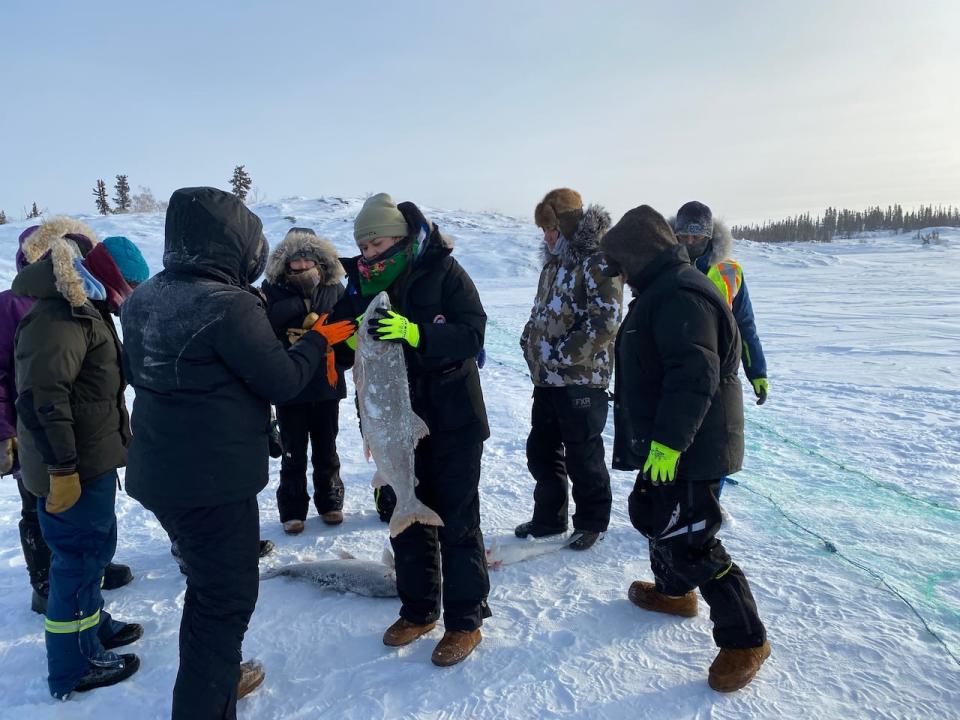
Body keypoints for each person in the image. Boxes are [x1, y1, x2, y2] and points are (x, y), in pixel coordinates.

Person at [120, 187, 355, 719]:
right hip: (212, 482)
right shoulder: (229, 304)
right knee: (223, 602)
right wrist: (318, 342)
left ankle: (219, 675)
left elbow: (136, 373)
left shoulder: (144, 298)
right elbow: (282, 381)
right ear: (234, 245)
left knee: (209, 590)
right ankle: (206, 699)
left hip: (159, 472)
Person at [600, 205, 770, 693]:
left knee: (691, 536)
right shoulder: (662, 289)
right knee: (653, 512)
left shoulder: (680, 294)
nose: (623, 278)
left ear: (640, 256)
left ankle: (746, 640)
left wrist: (670, 445)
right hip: (670, 441)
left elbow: (694, 376)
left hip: (693, 443)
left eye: (624, 267)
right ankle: (675, 592)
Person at [330, 192, 490, 667]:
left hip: (451, 420)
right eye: (362, 245)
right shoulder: (358, 285)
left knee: (458, 522)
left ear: (399, 241)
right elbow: (336, 342)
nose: (367, 255)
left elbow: (473, 335)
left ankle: (465, 620)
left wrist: (417, 333)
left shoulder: (445, 273)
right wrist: (348, 336)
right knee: (404, 517)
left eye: (375, 243)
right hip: (387, 426)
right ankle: (419, 610)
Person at [12, 222, 149, 699]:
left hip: (90, 458)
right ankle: (74, 664)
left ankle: (92, 626)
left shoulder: (84, 311)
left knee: (94, 551)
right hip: (70, 466)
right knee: (76, 559)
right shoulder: (58, 319)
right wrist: (62, 470)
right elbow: (42, 398)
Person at [1, 224, 136, 615]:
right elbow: (33, 385)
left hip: (76, 435)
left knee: (83, 533)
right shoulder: (17, 305)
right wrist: (5, 430)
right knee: (46, 516)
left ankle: (88, 593)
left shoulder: (83, 302)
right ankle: (46, 584)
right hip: (38, 432)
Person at [516, 188, 622, 550]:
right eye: (544, 231)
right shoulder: (552, 266)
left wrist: (563, 353)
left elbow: (605, 320)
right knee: (541, 451)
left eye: (552, 230)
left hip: (582, 379)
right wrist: (529, 338)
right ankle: (549, 518)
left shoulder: (597, 262)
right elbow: (541, 311)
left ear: (570, 225)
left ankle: (592, 521)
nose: (546, 237)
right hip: (547, 379)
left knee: (583, 452)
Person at [262, 227, 348, 533]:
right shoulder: (271, 290)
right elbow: (265, 325)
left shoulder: (335, 289)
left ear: (320, 262)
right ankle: (292, 507)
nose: (300, 269)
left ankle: (330, 500)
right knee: (292, 451)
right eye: (294, 264)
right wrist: (300, 311)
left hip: (327, 381)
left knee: (327, 447)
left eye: (306, 263)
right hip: (290, 383)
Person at [672, 201, 769, 405]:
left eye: (696, 237)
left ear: (708, 237)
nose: (690, 242)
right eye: (683, 236)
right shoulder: (663, 267)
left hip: (719, 372)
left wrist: (757, 371)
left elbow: (744, 324)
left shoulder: (730, 272)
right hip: (673, 370)